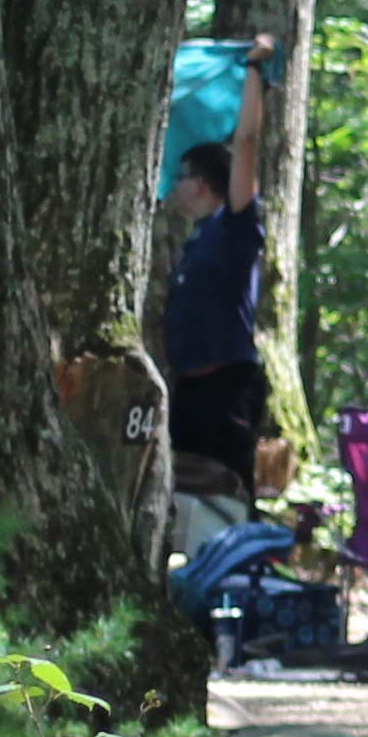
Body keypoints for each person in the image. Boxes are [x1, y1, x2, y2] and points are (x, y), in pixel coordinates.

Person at [159, 139, 269, 492]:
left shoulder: (234, 229)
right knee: (186, 491)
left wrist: (253, 83)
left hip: (226, 389)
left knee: (227, 489)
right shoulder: (197, 242)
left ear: (202, 183)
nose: (176, 187)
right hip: (190, 390)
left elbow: (248, 142)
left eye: (181, 178)